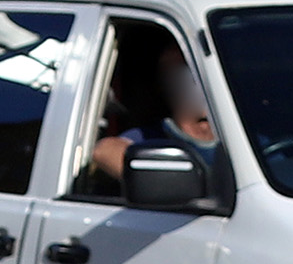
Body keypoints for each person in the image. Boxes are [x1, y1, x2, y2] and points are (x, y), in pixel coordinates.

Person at [92, 44, 218, 180]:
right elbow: (104, 151)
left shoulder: (240, 125)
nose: (192, 90)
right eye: (176, 79)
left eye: (195, 77)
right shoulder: (153, 136)